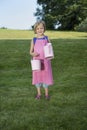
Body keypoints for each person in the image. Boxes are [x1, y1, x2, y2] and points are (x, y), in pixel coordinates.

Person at [29, 20, 53, 99]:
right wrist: (33, 54)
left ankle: (46, 94)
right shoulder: (34, 39)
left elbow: (50, 49)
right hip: (37, 61)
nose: (40, 30)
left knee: (45, 77)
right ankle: (39, 94)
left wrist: (51, 56)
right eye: (38, 28)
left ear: (44, 29)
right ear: (35, 30)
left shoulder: (46, 38)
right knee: (37, 76)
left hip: (45, 61)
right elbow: (30, 52)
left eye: (41, 28)